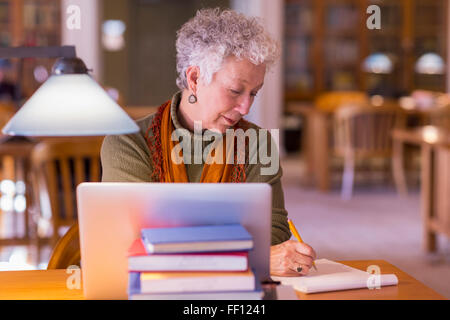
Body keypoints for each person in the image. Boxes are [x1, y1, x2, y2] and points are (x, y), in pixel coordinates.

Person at [101, 8, 316, 277]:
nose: (246, 107)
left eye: (254, 93)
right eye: (236, 90)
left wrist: (185, 246)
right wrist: (252, 255)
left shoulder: (257, 142)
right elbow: (135, 245)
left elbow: (273, 233)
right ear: (195, 78)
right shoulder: (128, 142)